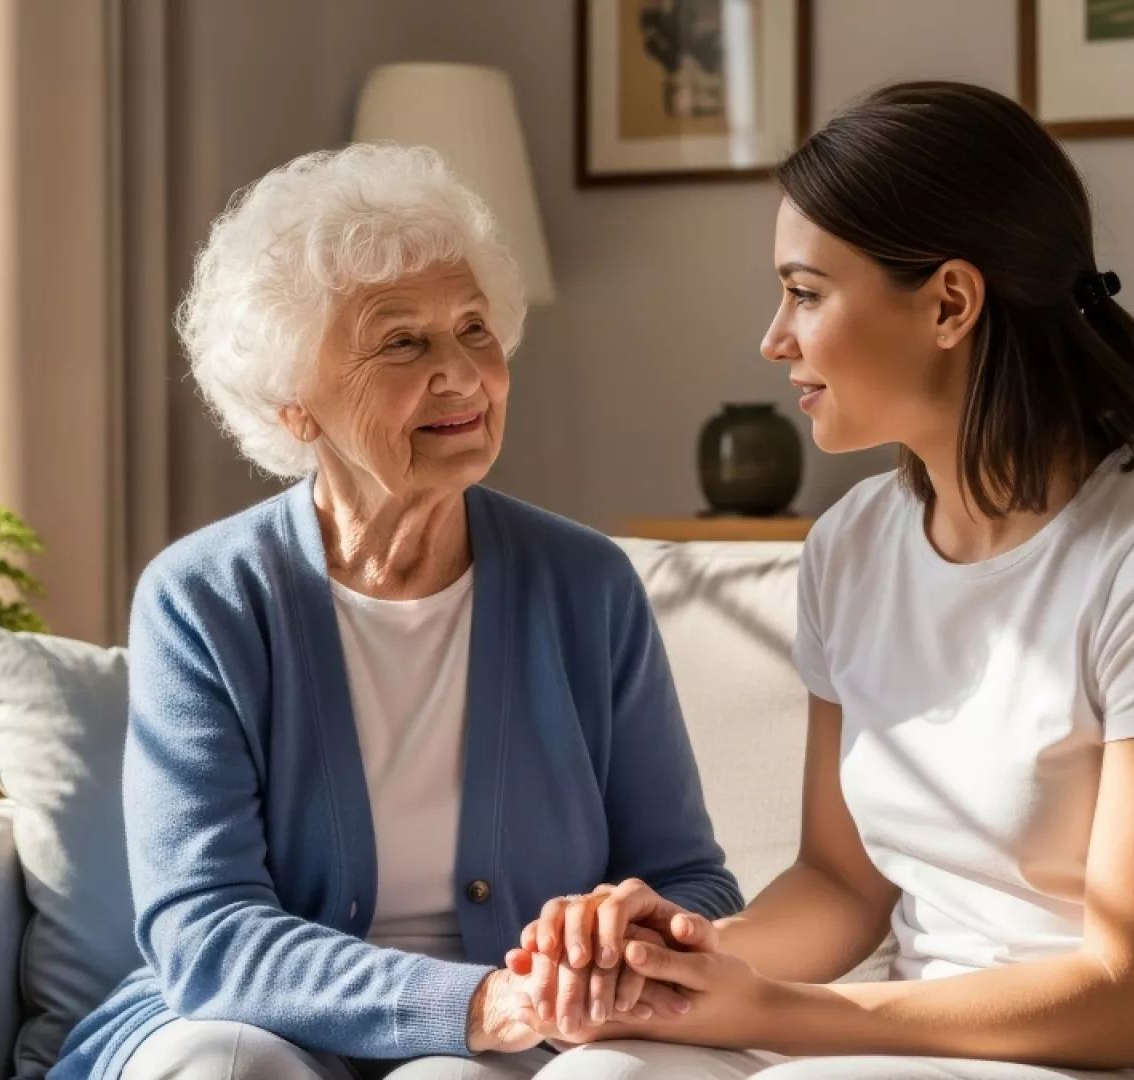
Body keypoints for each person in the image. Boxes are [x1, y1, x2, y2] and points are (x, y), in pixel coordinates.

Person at [512, 81, 1134, 1080]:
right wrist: (681, 963)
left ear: (950, 302)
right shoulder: (852, 546)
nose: (775, 338)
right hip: (916, 1044)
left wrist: (780, 1013)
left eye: (806, 292)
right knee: (604, 1072)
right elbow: (840, 884)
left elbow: (1130, 998)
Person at [47, 143, 741, 1080]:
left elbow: (694, 881)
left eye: (475, 330)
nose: (463, 374)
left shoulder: (588, 584)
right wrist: (475, 1004)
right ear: (294, 403)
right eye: (403, 341)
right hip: (265, 1024)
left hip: (519, 1031)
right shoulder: (204, 597)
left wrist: (623, 937)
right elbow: (204, 931)